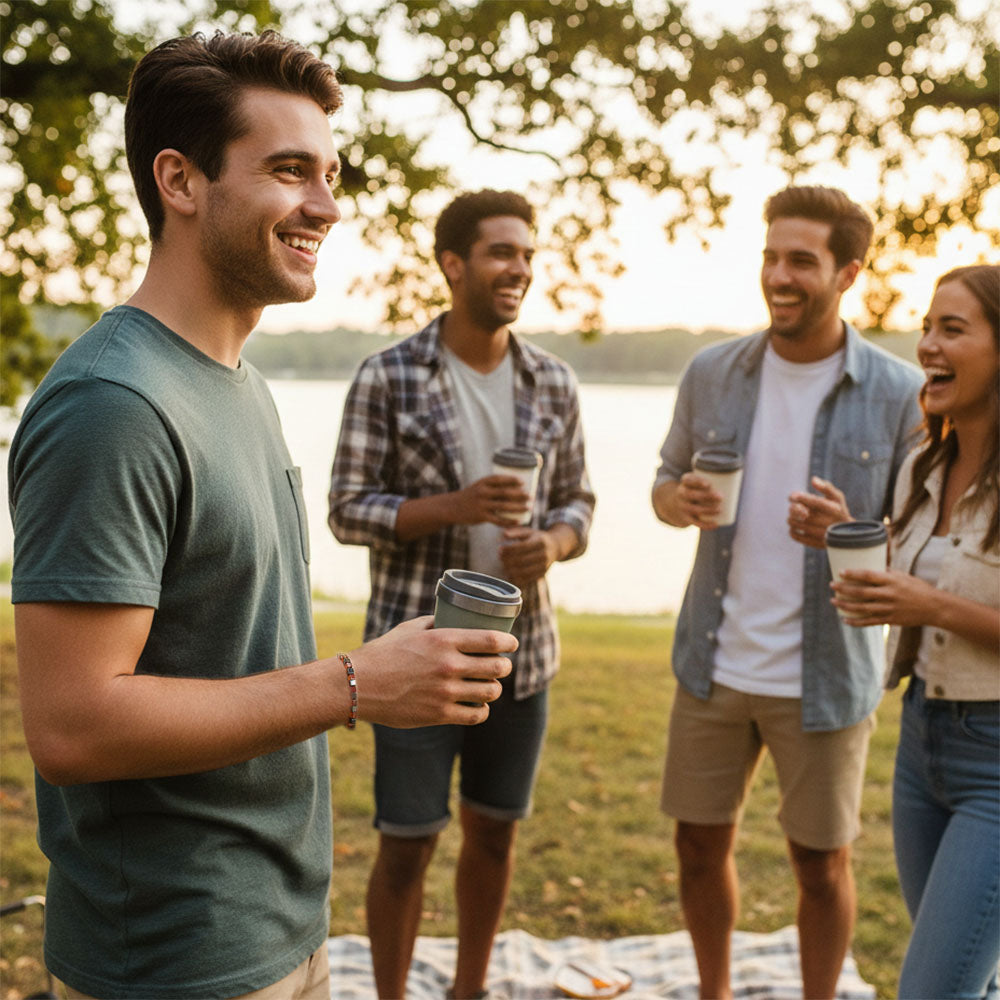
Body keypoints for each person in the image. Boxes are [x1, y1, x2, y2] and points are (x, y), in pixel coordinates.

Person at [7, 32, 516, 1000]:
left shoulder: (239, 383)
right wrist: (359, 682)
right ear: (181, 180)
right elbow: (75, 725)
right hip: (175, 956)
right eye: (289, 171)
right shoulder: (113, 405)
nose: (327, 205)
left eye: (329, 173)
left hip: (279, 924)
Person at [651, 185, 924, 1000]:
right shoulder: (712, 372)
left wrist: (852, 531)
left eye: (800, 261)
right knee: (698, 846)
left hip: (828, 672)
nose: (779, 275)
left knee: (821, 863)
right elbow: (665, 484)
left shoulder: (899, 392)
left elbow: (918, 541)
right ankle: (714, 993)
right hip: (713, 661)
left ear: (848, 272)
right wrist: (679, 502)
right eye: (771, 257)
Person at [328, 188, 595, 999]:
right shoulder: (391, 374)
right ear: (453, 264)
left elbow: (580, 504)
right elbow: (346, 510)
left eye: (526, 252)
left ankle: (470, 991)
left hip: (522, 659)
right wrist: (457, 506)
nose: (519, 267)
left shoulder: (552, 381)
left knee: (493, 836)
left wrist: (551, 542)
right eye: (500, 252)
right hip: (415, 653)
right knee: (406, 844)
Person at [831, 264, 1000, 1000]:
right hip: (922, 742)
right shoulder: (923, 464)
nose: (927, 343)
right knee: (973, 978)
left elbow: (932, 599)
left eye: (953, 329)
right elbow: (911, 582)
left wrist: (926, 604)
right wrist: (844, 541)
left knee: (935, 990)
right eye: (928, 326)